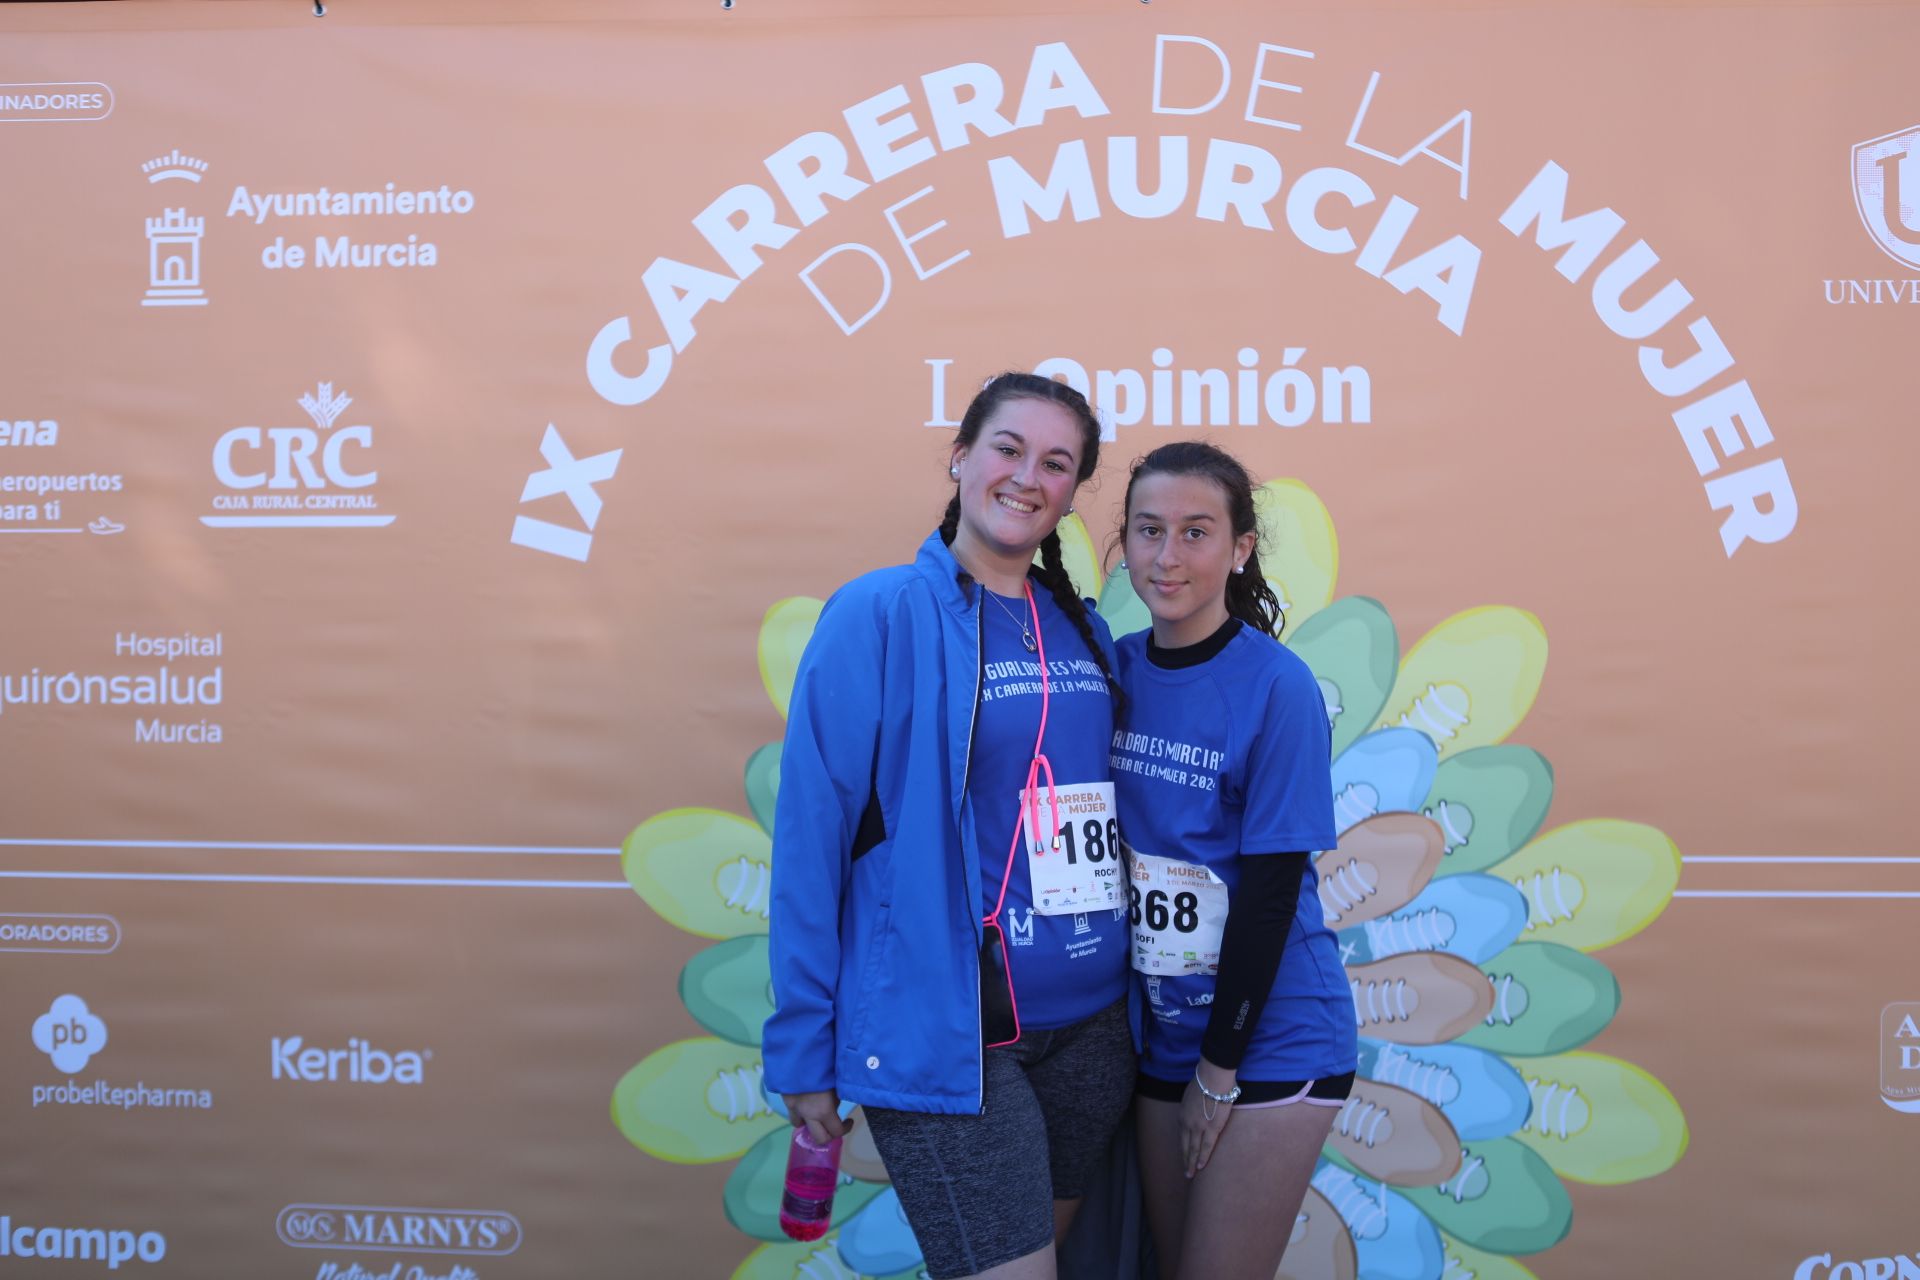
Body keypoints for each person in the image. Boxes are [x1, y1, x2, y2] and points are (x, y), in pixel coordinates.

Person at [763, 372, 1135, 1280]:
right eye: (1008, 448)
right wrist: (805, 1046)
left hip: (1093, 1030)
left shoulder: (1081, 626)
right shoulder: (879, 613)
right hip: (951, 1029)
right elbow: (813, 840)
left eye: (1057, 463)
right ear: (962, 456)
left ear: (1072, 492)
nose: (1027, 477)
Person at [1109, 441, 1355, 1280]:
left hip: (1270, 1038)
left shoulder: (1275, 687)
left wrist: (1220, 1070)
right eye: (1148, 531)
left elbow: (1271, 892)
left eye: (1195, 532)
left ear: (1240, 547)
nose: (1166, 557)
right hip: (1162, 1040)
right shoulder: (1114, 670)